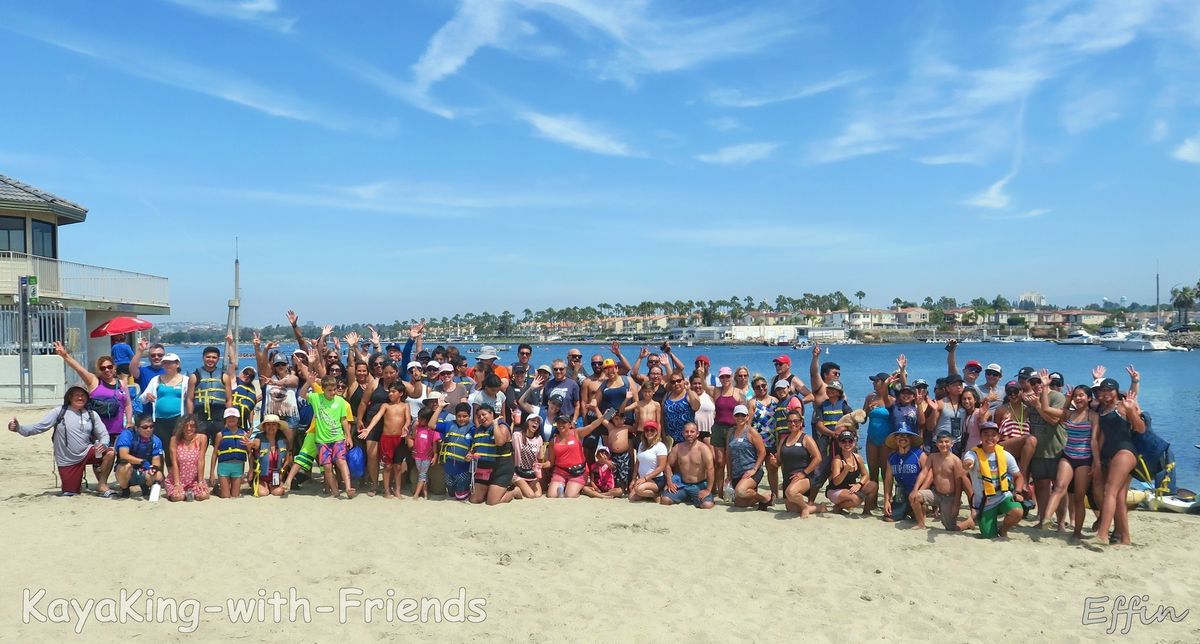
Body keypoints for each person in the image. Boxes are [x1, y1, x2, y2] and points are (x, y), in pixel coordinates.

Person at [9, 386, 116, 497]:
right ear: (69, 397)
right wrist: (18, 428)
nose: (80, 398)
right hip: (67, 460)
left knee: (110, 452)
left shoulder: (92, 414)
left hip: (87, 452)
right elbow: (39, 427)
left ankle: (102, 484)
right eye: (76, 395)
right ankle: (74, 483)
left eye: (83, 395)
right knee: (70, 493)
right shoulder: (59, 412)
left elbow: (103, 434)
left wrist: (103, 444)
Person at [1041, 385, 1098, 539]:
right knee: (1059, 487)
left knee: (1079, 497)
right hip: (1068, 456)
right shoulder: (1068, 414)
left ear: (1089, 398)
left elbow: (1094, 441)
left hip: (1085, 459)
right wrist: (1045, 387)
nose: (1078, 398)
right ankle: (1046, 518)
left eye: (1081, 395)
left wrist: (1096, 463)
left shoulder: (1092, 416)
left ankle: (1077, 532)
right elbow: (1045, 408)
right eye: (1075, 396)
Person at [1093, 377, 1145, 546]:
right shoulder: (1100, 409)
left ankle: (1102, 533)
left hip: (1125, 452)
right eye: (1103, 390)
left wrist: (1131, 411)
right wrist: (1098, 461)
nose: (1106, 393)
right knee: (1120, 498)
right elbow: (1100, 438)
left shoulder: (1123, 406)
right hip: (1108, 454)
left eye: (1110, 390)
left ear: (1116, 391)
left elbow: (1140, 428)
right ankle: (1125, 539)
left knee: (1110, 491)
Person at [55, 341, 133, 446]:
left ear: (114, 367)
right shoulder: (94, 381)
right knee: (101, 460)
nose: (107, 370)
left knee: (120, 459)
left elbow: (127, 404)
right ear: (99, 370)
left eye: (109, 367)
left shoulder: (122, 383)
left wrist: (129, 421)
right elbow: (78, 368)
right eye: (103, 368)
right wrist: (64, 355)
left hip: (118, 430)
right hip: (97, 431)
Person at [963, 421, 1029, 539]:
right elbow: (968, 461)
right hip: (985, 503)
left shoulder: (1005, 455)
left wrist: (1018, 492)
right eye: (986, 434)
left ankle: (1003, 530)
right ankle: (981, 522)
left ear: (998, 437)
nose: (990, 437)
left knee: (1017, 511)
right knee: (989, 535)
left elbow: (1018, 476)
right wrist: (967, 464)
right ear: (981, 437)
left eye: (993, 434)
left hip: (1003, 496)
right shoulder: (973, 453)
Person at [307, 374, 355, 499]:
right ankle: (335, 491)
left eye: (335, 389)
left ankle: (349, 487)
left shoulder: (340, 401)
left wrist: (348, 436)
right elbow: (302, 395)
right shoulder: (316, 398)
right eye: (330, 390)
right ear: (323, 389)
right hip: (322, 440)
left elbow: (344, 419)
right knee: (327, 466)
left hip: (337, 437)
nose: (333, 392)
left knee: (341, 461)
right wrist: (308, 382)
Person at [138, 353, 189, 471]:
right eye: (165, 362)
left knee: (176, 449)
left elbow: (192, 399)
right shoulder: (156, 380)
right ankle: (160, 476)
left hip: (178, 419)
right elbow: (142, 399)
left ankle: (175, 475)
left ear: (177, 364)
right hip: (160, 421)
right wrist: (147, 396)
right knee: (160, 449)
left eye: (170, 362)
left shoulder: (186, 380)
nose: (167, 365)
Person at [912, 431, 972, 531]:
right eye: (940, 442)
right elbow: (924, 472)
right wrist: (915, 489)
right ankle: (921, 523)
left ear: (952, 443)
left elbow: (959, 484)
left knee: (950, 527)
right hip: (936, 493)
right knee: (915, 497)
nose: (944, 444)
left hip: (950, 497)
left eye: (946, 442)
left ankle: (968, 523)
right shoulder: (932, 457)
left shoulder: (955, 461)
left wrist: (956, 504)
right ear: (936, 444)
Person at [777, 409, 823, 516]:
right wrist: (774, 461)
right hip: (788, 478)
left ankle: (805, 508)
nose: (793, 423)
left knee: (791, 492)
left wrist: (804, 473)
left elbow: (818, 458)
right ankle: (817, 508)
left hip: (804, 477)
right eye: (790, 421)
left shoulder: (806, 438)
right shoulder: (783, 440)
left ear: (801, 422)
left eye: (796, 421)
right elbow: (779, 462)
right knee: (792, 509)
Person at [661, 422, 715, 508]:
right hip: (682, 484)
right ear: (683, 433)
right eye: (686, 432)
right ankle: (685, 496)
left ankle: (692, 497)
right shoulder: (678, 447)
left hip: (699, 485)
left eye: (692, 432)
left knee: (707, 505)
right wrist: (669, 482)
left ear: (697, 434)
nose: (689, 434)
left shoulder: (703, 449)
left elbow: (710, 469)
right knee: (665, 500)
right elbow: (668, 465)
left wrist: (708, 489)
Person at [188, 345, 233, 449]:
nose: (210, 360)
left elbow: (229, 399)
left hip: (219, 416)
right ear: (203, 357)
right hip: (200, 417)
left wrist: (229, 418)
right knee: (199, 450)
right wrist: (190, 418)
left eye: (214, 357)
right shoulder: (194, 376)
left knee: (222, 449)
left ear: (218, 359)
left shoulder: (224, 377)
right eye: (208, 357)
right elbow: (190, 399)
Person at [728, 405, 772, 510]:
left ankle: (764, 499)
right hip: (736, 473)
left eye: (743, 415)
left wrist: (754, 469)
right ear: (733, 416)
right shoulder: (730, 432)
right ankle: (762, 496)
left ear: (747, 417)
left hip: (751, 470)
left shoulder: (751, 432)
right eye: (737, 415)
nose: (740, 417)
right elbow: (728, 454)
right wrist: (729, 475)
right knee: (740, 504)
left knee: (741, 491)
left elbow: (762, 452)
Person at [469, 405, 514, 505]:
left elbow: (500, 442)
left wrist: (495, 424)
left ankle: (514, 491)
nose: (481, 418)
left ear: (492, 414)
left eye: (484, 414)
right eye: (479, 416)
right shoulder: (478, 430)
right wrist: (470, 455)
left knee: (492, 502)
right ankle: (491, 489)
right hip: (484, 471)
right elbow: (474, 449)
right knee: (474, 500)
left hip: (501, 470)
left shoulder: (502, 426)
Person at [113, 415, 165, 498]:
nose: (149, 429)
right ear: (136, 428)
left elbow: (156, 461)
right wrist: (142, 462)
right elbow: (123, 455)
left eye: (151, 426)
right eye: (145, 427)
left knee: (158, 475)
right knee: (125, 466)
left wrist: (154, 468)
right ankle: (125, 490)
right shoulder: (127, 434)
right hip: (128, 469)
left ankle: (145, 486)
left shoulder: (156, 440)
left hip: (144, 470)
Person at [827, 428, 876, 514]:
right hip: (835, 490)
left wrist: (859, 484)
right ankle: (838, 507)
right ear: (839, 444)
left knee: (873, 485)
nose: (847, 444)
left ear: (854, 443)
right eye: (844, 441)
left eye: (850, 441)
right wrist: (845, 470)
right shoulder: (837, 460)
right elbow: (836, 482)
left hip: (850, 488)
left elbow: (866, 475)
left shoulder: (857, 458)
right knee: (856, 499)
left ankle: (866, 510)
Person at [883, 425, 923, 521]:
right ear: (895, 439)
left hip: (917, 491)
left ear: (911, 439)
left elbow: (929, 475)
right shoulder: (891, 457)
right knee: (888, 518)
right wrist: (886, 500)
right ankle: (906, 509)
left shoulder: (919, 454)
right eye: (899, 436)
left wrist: (920, 491)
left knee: (918, 514)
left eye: (906, 436)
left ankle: (917, 508)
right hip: (901, 492)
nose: (902, 438)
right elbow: (888, 480)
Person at [209, 407, 251, 498]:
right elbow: (215, 453)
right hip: (224, 467)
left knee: (235, 495)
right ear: (225, 419)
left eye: (234, 417)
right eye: (229, 417)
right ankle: (217, 490)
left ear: (238, 419)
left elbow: (249, 453)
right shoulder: (220, 435)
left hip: (238, 467)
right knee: (226, 496)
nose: (231, 419)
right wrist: (212, 473)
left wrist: (251, 470)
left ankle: (224, 488)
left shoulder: (244, 435)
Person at [167, 415, 210, 502]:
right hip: (178, 478)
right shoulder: (174, 439)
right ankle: (185, 492)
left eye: (192, 426)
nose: (189, 428)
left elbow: (201, 460)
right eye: (185, 426)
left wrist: (200, 481)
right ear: (181, 427)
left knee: (203, 496)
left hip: (194, 478)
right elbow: (174, 463)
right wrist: (177, 483)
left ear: (196, 427)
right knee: (178, 497)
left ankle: (190, 491)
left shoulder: (202, 438)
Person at [438, 402, 475, 501]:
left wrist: (471, 453)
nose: (461, 419)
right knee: (451, 494)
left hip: (463, 468)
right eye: (459, 416)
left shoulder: (473, 429)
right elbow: (431, 424)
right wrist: (440, 407)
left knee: (460, 496)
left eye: (465, 416)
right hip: (448, 467)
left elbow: (476, 444)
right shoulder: (448, 425)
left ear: (469, 416)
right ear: (455, 416)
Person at [547, 415, 590, 498]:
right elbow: (551, 462)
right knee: (551, 495)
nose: (560, 424)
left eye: (564, 422)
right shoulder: (553, 441)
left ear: (570, 425)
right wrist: (541, 465)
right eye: (559, 422)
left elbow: (591, 426)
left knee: (570, 495)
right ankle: (566, 486)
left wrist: (604, 417)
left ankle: (575, 488)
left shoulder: (576, 433)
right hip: (560, 472)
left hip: (578, 471)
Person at [249, 414, 289, 497]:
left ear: (278, 426)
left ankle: (273, 485)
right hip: (261, 477)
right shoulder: (258, 439)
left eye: (274, 424)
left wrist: (282, 474)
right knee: (262, 493)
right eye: (268, 424)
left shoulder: (283, 440)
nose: (271, 427)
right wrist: (249, 444)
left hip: (277, 476)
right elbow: (254, 445)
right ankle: (259, 484)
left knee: (278, 492)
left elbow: (288, 459)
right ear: (264, 427)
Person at [629, 421, 668, 502]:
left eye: (652, 430)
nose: (649, 432)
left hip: (657, 479)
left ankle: (656, 494)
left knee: (638, 490)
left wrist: (645, 478)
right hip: (643, 479)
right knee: (631, 497)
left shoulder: (660, 446)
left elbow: (661, 467)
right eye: (647, 430)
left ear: (657, 432)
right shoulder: (641, 445)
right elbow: (638, 462)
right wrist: (633, 479)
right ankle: (650, 494)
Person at [409, 406, 442, 500]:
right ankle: (425, 493)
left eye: (421, 419)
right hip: (417, 456)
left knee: (422, 475)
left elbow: (435, 444)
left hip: (427, 456)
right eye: (418, 418)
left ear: (428, 420)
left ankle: (416, 494)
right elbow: (414, 438)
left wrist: (435, 455)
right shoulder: (418, 428)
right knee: (423, 474)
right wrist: (415, 427)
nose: (419, 420)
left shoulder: (433, 430)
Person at [129, 339, 167, 417]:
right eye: (153, 355)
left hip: (167, 414)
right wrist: (140, 350)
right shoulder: (143, 371)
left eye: (160, 355)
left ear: (165, 356)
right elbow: (132, 368)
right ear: (149, 357)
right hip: (148, 414)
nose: (156, 357)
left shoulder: (170, 372)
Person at [511, 416, 546, 499]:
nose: (536, 423)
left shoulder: (539, 439)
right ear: (527, 422)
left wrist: (538, 478)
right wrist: (513, 423)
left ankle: (524, 487)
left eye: (538, 422)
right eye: (533, 420)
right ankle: (514, 489)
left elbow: (539, 461)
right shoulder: (517, 436)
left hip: (531, 473)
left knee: (538, 495)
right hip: (518, 472)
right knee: (531, 495)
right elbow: (508, 437)